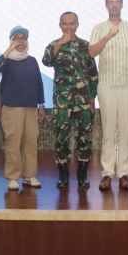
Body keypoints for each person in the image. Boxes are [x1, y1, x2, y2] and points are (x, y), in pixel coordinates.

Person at [89, 0, 128, 191]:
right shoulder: (98, 28)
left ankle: (124, 174)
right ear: (106, 5)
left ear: (122, 4)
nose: (114, 5)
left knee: (125, 131)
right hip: (106, 85)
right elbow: (91, 52)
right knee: (108, 131)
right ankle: (107, 173)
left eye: (117, 2)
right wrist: (108, 36)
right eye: (110, 2)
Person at [42, 12, 98, 189]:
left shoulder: (86, 46)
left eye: (72, 23)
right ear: (60, 25)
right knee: (61, 138)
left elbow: (93, 74)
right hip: (62, 102)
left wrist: (92, 99)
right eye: (65, 24)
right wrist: (60, 44)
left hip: (83, 100)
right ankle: (63, 175)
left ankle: (82, 175)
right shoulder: (53, 45)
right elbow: (46, 61)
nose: (68, 27)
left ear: (77, 25)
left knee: (84, 138)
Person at [0, 26, 44, 191]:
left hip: (31, 107)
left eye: (23, 38)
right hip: (11, 107)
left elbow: (38, 83)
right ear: (11, 40)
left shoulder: (32, 60)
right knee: (13, 142)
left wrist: (41, 104)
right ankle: (13, 177)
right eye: (17, 38)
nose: (21, 41)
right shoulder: (6, 60)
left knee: (31, 141)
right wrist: (9, 49)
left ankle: (29, 175)